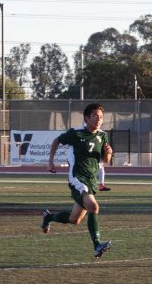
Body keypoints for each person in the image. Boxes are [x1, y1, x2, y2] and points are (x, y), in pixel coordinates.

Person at [40, 102, 113, 259]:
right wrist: (50, 162)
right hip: (77, 177)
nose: (98, 119)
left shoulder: (102, 136)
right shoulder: (76, 133)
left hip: (91, 179)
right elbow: (56, 141)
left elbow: (104, 160)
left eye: (101, 117)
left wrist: (108, 153)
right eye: (94, 116)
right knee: (93, 207)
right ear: (86, 118)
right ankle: (97, 244)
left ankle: (48, 217)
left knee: (75, 219)